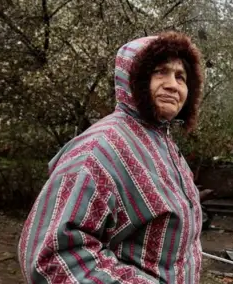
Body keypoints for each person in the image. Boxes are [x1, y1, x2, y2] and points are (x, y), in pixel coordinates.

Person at [18, 32, 205, 283]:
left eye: (180, 76)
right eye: (160, 72)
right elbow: (53, 258)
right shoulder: (98, 149)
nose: (173, 84)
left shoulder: (162, 142)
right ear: (132, 77)